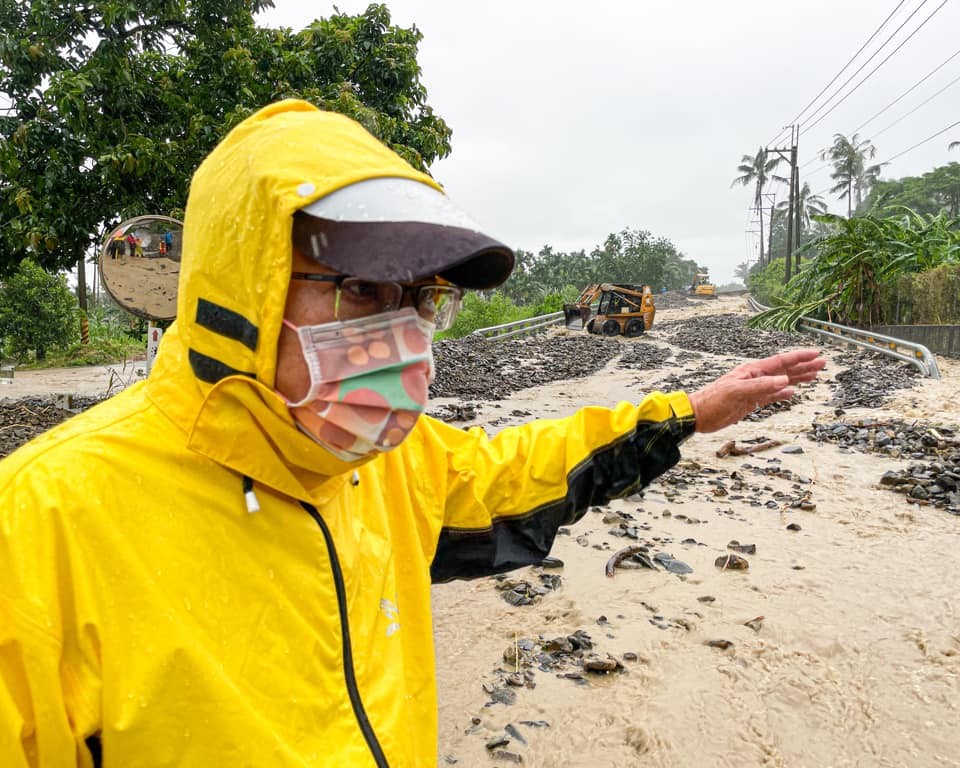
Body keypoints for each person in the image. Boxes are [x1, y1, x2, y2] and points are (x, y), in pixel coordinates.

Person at [0, 100, 825, 767]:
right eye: (364, 291)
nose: (406, 337)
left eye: (425, 301)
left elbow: (521, 469)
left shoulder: (384, 465)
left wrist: (685, 414)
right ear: (242, 293)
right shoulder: (44, 521)